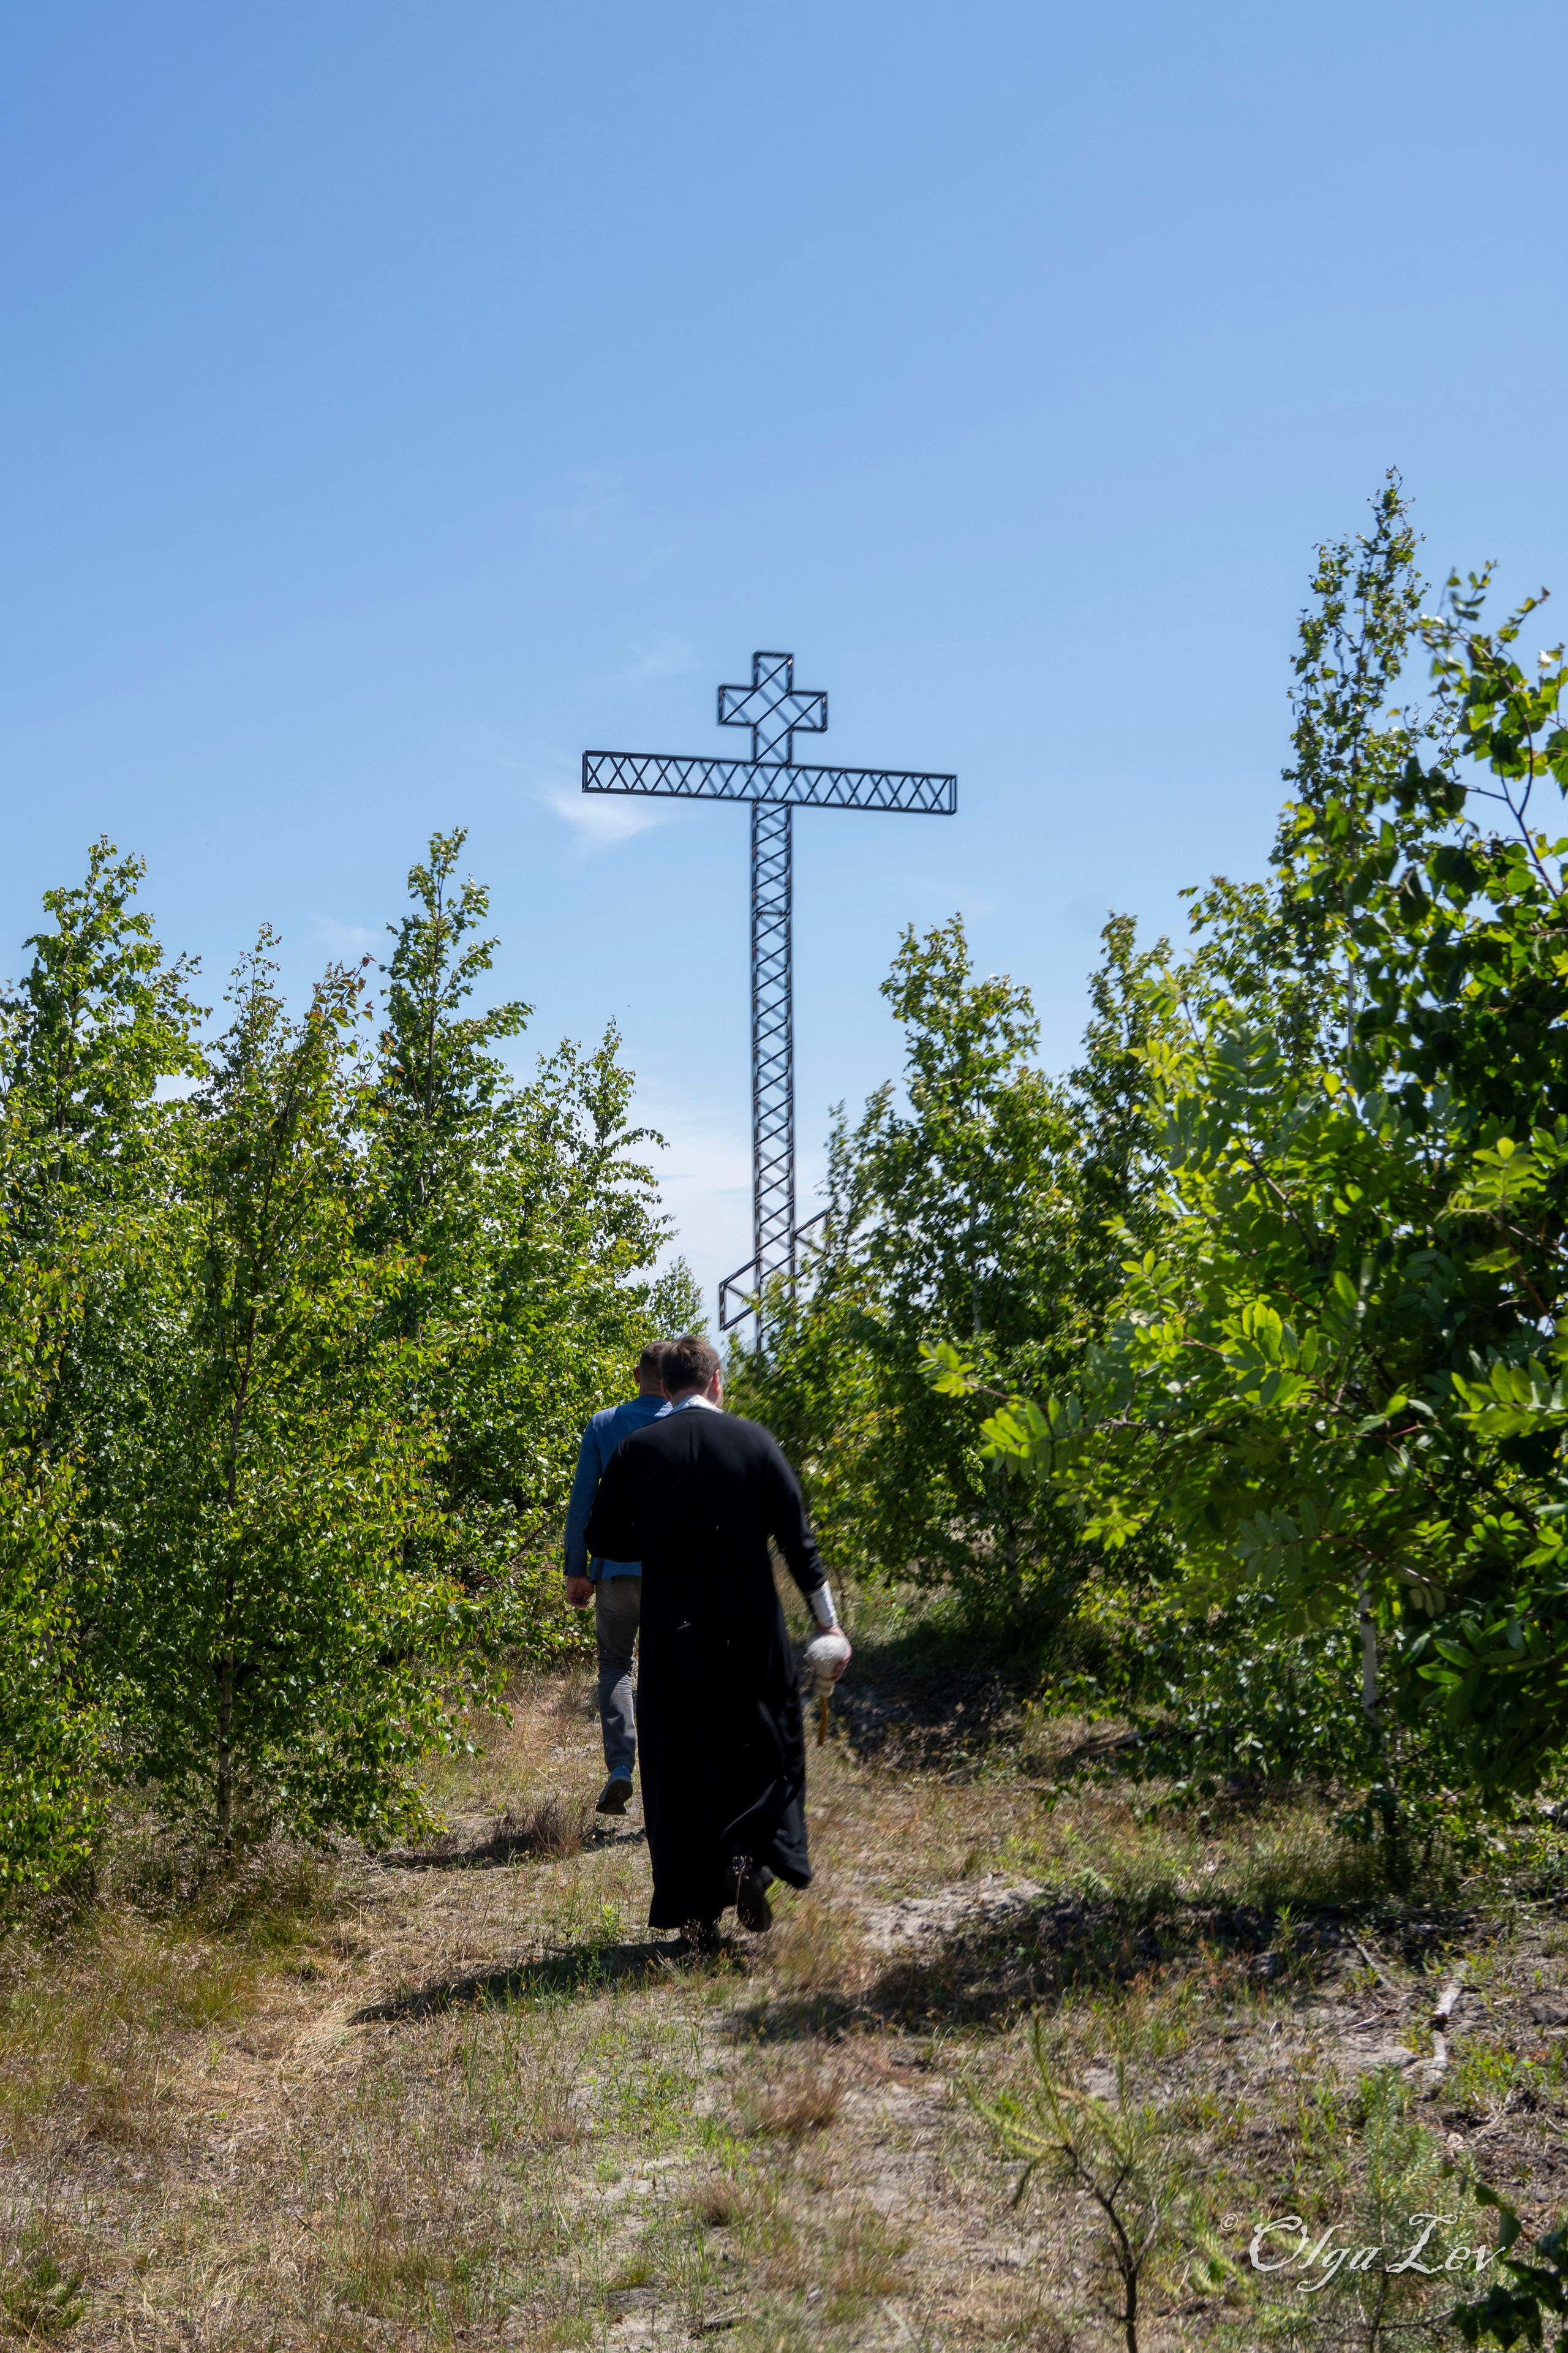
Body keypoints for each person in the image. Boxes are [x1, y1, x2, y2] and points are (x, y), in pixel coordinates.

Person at [582, 1331, 850, 1942]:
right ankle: (748, 1859)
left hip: (674, 1627)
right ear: (716, 1381)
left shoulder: (638, 1449)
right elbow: (798, 1542)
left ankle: (696, 1912)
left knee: (680, 1757)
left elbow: (603, 1537)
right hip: (750, 1624)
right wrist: (827, 1623)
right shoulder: (755, 1442)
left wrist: (653, 1542)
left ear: (665, 1386)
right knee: (765, 1743)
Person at [562, 1340, 672, 1814]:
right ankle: (669, 1783)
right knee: (670, 1673)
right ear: (673, 1379)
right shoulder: (688, 1424)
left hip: (614, 1573)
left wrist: (576, 1570)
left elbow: (582, 1500)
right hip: (674, 1575)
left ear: (635, 1375)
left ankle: (622, 1768)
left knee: (615, 1665)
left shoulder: (603, 1424)